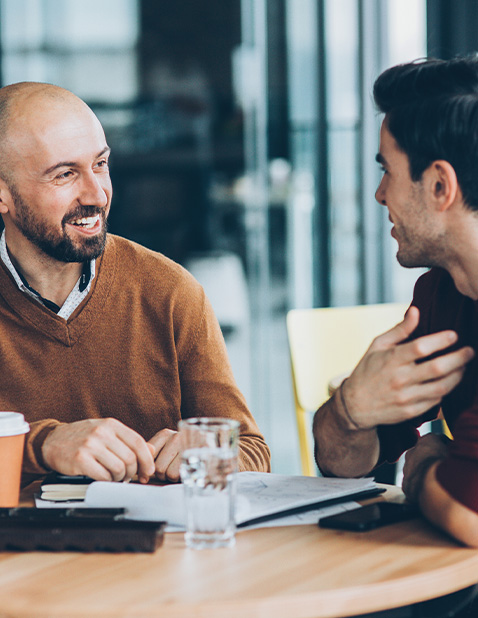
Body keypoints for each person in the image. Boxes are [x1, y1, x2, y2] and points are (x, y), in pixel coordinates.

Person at [0, 81, 270, 485]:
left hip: (156, 546)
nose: (97, 193)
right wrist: (45, 445)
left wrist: (207, 452)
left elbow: (249, 449)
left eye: (100, 165)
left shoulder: (170, 291)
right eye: (64, 174)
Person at [313, 55, 478, 547]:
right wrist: (349, 411)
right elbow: (341, 465)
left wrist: (424, 466)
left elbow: (472, 518)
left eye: (388, 170)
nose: (381, 193)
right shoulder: (439, 293)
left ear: (439, 186)